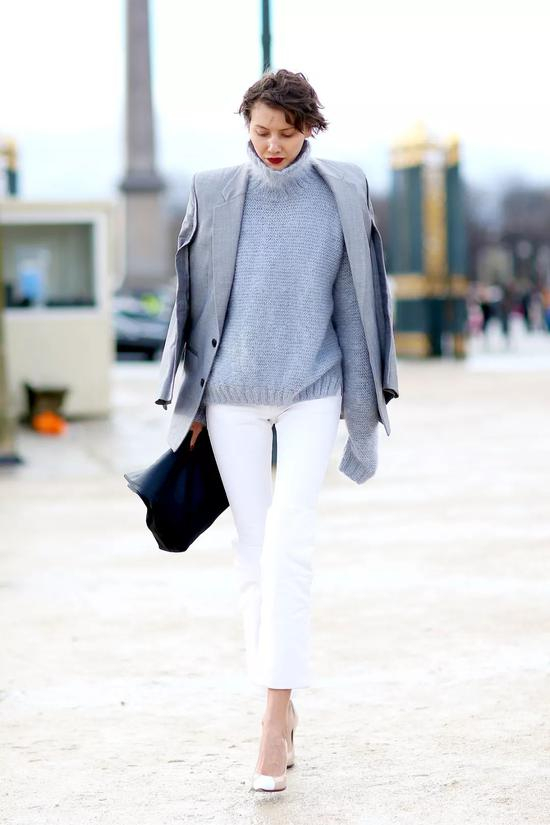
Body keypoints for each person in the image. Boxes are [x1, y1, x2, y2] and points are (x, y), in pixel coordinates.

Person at [158, 69, 399, 792]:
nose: (271, 145)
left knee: (290, 543)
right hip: (230, 396)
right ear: (246, 125)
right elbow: (192, 304)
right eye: (261, 131)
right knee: (253, 551)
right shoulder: (212, 191)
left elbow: (355, 307)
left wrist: (363, 412)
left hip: (312, 390)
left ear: (309, 129)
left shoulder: (342, 191)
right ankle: (281, 703)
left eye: (286, 133)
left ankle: (270, 719)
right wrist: (190, 407)